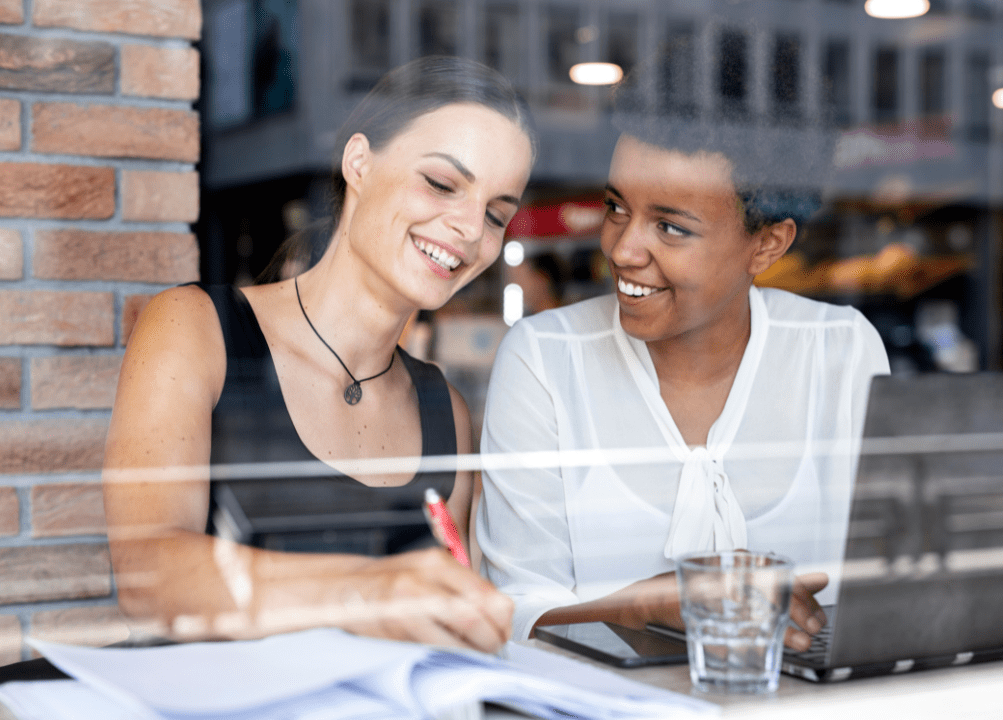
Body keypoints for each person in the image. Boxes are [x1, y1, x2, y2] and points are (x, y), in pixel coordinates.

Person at [103, 56, 535, 653]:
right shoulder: (196, 330)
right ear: (359, 162)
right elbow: (147, 574)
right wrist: (368, 592)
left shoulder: (445, 413)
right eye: (441, 183)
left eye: (496, 215)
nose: (469, 228)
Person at [475, 52, 891, 647]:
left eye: (671, 227)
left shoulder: (839, 351)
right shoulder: (545, 359)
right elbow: (512, 608)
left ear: (767, 246)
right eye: (617, 208)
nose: (622, 250)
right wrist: (644, 605)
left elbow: (887, 583)